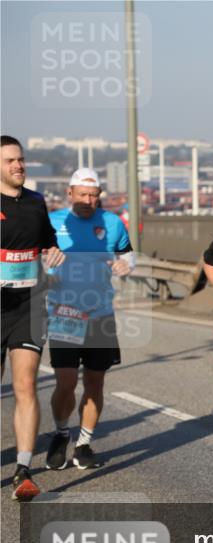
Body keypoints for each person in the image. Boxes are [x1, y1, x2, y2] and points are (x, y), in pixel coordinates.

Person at [44, 168, 134, 471]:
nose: (88, 201)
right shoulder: (53, 221)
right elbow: (35, 258)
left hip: (100, 315)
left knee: (95, 381)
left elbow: (128, 255)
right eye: (82, 195)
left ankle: (83, 443)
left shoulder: (111, 223)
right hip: (64, 314)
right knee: (66, 382)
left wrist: (125, 264)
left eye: (93, 196)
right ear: (70, 194)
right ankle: (60, 432)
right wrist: (45, 270)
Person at [1, 135, 65, 500]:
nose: (19, 166)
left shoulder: (37, 203)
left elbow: (48, 243)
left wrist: (54, 254)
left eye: (21, 160)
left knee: (25, 385)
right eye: (11, 161)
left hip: (29, 305)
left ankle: (23, 470)